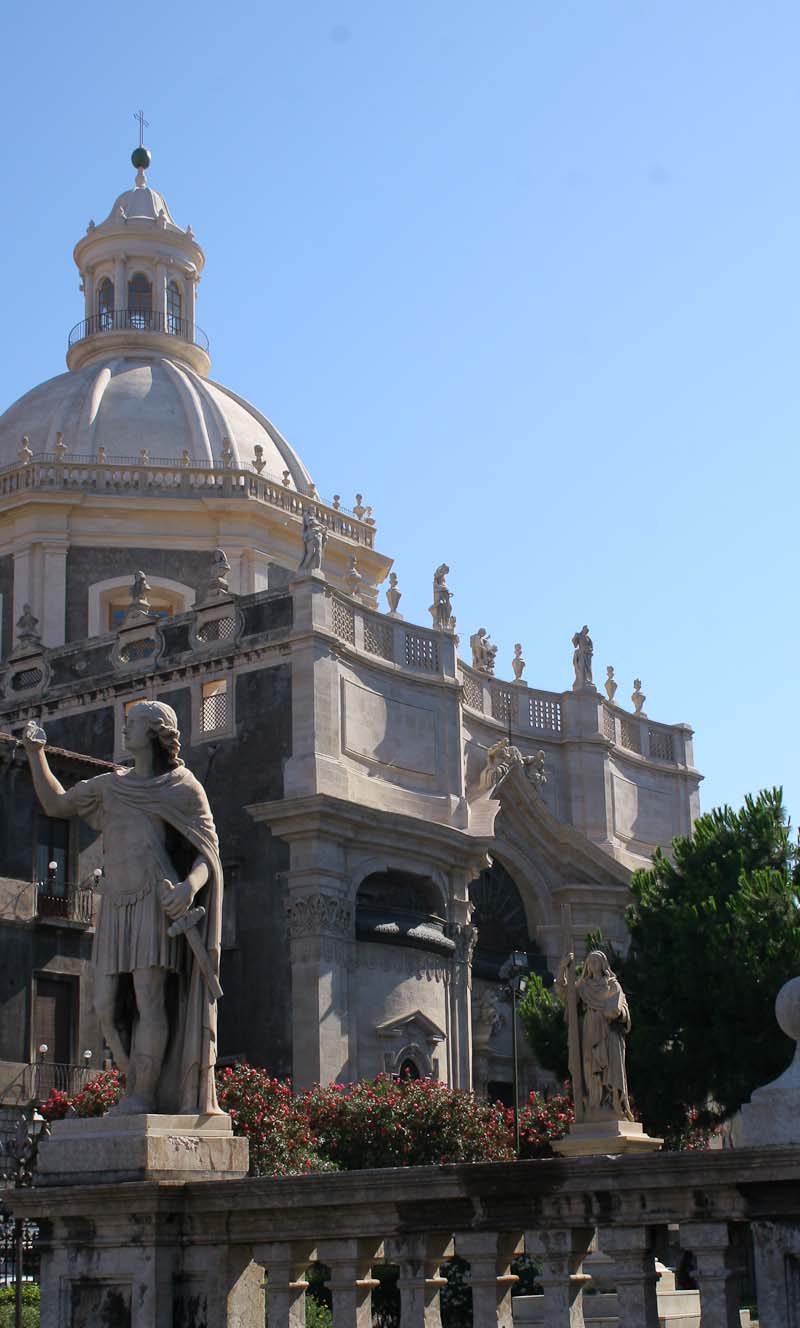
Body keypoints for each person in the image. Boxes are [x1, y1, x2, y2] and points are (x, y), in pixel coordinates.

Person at [22, 701, 224, 1117]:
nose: (124, 730)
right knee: (104, 1006)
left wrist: (189, 887)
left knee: (150, 1000)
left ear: (153, 732)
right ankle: (139, 1083)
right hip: (114, 903)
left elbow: (209, 854)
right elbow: (56, 804)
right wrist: (35, 753)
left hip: (155, 901)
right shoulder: (110, 786)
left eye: (131, 724)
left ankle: (144, 1096)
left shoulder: (182, 787)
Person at [557, 949, 633, 1121]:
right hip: (590, 1030)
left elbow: (624, 1010)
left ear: (603, 964)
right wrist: (562, 969)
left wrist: (618, 1013)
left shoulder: (613, 984)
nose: (593, 964)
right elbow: (565, 993)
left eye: (596, 961)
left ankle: (614, 1104)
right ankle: (595, 1105)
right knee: (590, 1066)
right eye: (590, 962)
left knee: (611, 1068)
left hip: (609, 1032)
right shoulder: (583, 987)